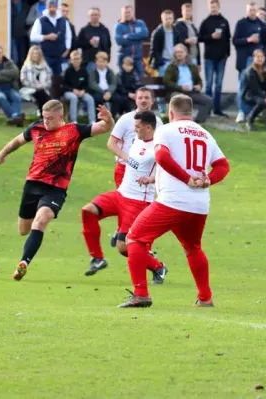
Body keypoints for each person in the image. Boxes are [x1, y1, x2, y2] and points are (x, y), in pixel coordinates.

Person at [118, 94, 230, 308]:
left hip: (173, 200)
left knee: (135, 238)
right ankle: (205, 297)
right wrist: (208, 180)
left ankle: (141, 293)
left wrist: (186, 178)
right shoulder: (205, 134)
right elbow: (223, 166)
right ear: (191, 112)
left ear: (171, 112)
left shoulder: (166, 130)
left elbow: (161, 157)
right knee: (193, 247)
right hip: (199, 204)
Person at [0, 101, 115, 281]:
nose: (46, 122)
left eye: (50, 119)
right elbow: (18, 141)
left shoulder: (74, 130)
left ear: (61, 117)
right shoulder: (36, 129)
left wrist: (109, 119)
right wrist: (2, 153)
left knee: (41, 220)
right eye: (44, 118)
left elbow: (105, 128)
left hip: (55, 189)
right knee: (23, 230)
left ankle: (24, 263)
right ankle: (27, 253)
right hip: (32, 185)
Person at [82, 110, 167, 282]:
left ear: (148, 127)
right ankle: (98, 259)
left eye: (137, 127)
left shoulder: (159, 148)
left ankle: (158, 267)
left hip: (138, 202)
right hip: (120, 194)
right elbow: (114, 142)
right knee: (88, 211)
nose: (134, 130)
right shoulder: (137, 140)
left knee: (123, 247)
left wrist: (150, 179)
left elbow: (167, 173)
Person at [107, 87, 163, 247]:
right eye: (140, 98)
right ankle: (124, 234)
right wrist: (128, 159)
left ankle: (137, 240)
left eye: (146, 97)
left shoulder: (157, 122)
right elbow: (111, 143)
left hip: (147, 171)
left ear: (152, 101)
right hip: (125, 169)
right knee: (124, 203)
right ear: (135, 100)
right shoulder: (126, 119)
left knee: (145, 206)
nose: (143, 100)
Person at [233, 1, 266, 123]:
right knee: (242, 88)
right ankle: (241, 112)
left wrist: (263, 53)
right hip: (245, 60)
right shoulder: (241, 23)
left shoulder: (263, 26)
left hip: (258, 62)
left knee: (257, 87)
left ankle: (253, 112)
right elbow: (235, 41)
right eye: (250, 10)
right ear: (247, 11)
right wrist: (248, 40)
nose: (252, 12)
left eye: (254, 10)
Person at [162, 44, 213, 123]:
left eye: (181, 52)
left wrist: (199, 86)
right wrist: (181, 87)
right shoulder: (171, 67)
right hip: (177, 92)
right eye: (177, 52)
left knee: (208, 101)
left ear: (186, 53)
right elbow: (167, 82)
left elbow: (199, 80)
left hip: (191, 91)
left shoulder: (192, 66)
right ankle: (176, 122)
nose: (179, 54)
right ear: (175, 54)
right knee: (179, 99)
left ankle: (197, 122)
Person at [198, 0, 231, 117]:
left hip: (222, 58)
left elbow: (228, 39)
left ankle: (217, 109)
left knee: (218, 85)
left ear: (218, 7)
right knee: (208, 84)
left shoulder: (224, 21)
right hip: (209, 58)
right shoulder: (206, 22)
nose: (213, 9)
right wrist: (211, 37)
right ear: (209, 8)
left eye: (215, 7)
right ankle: (207, 110)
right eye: (211, 7)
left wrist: (228, 54)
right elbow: (200, 38)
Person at [29, 0, 72, 76]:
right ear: (46, 7)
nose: (52, 9)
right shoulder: (40, 20)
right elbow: (33, 37)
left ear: (57, 8)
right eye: (50, 7)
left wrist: (67, 50)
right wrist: (47, 37)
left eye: (54, 7)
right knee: (45, 78)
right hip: (46, 56)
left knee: (58, 80)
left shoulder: (63, 21)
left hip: (60, 56)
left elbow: (68, 36)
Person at [242, 49, 266, 131]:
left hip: (260, 93)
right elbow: (255, 88)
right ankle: (249, 120)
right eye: (257, 57)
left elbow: (265, 85)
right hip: (249, 94)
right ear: (253, 58)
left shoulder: (264, 70)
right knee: (262, 102)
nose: (260, 59)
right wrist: (265, 97)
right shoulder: (250, 71)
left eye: (262, 57)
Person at [114, 6, 149, 79]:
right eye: (125, 13)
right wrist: (137, 39)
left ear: (133, 12)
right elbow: (119, 40)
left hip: (137, 57)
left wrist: (129, 36)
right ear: (122, 14)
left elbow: (145, 34)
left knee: (140, 78)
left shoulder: (140, 23)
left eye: (129, 12)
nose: (127, 14)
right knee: (124, 80)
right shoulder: (118, 26)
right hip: (124, 58)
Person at [63, 50, 96, 124]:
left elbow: (87, 85)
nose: (76, 61)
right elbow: (64, 85)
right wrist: (73, 90)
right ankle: (74, 121)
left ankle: (92, 121)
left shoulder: (84, 71)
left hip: (81, 92)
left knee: (90, 99)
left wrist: (83, 91)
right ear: (71, 60)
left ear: (81, 59)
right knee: (74, 98)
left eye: (78, 59)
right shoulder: (67, 71)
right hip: (69, 92)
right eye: (74, 59)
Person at [76, 7, 112, 71]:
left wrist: (108, 58)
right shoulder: (84, 30)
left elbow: (109, 45)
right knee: (91, 80)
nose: (94, 17)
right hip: (89, 61)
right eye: (92, 15)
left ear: (99, 16)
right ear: (88, 16)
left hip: (103, 61)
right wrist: (89, 43)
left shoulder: (104, 30)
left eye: (96, 15)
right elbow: (77, 44)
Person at [20, 45, 53, 113]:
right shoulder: (26, 66)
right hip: (29, 89)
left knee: (42, 94)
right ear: (30, 55)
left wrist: (42, 85)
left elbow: (49, 81)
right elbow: (23, 80)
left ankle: (43, 115)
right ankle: (43, 115)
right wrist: (34, 86)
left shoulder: (45, 66)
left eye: (37, 53)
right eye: (33, 53)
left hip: (44, 88)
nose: (35, 55)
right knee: (42, 95)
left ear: (40, 55)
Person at [88, 51, 122, 116]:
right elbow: (92, 84)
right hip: (98, 91)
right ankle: (98, 118)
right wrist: (103, 93)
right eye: (99, 61)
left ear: (106, 62)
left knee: (117, 98)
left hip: (108, 91)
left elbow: (113, 84)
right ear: (96, 61)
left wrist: (109, 92)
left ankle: (112, 116)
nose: (101, 63)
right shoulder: (93, 71)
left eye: (103, 61)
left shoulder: (110, 71)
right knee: (97, 99)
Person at [149, 10, 179, 77]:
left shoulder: (176, 32)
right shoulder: (157, 32)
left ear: (173, 19)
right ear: (162, 19)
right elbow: (154, 49)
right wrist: (158, 61)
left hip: (174, 61)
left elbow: (179, 46)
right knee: (162, 83)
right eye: (166, 18)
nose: (168, 20)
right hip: (163, 61)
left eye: (170, 18)